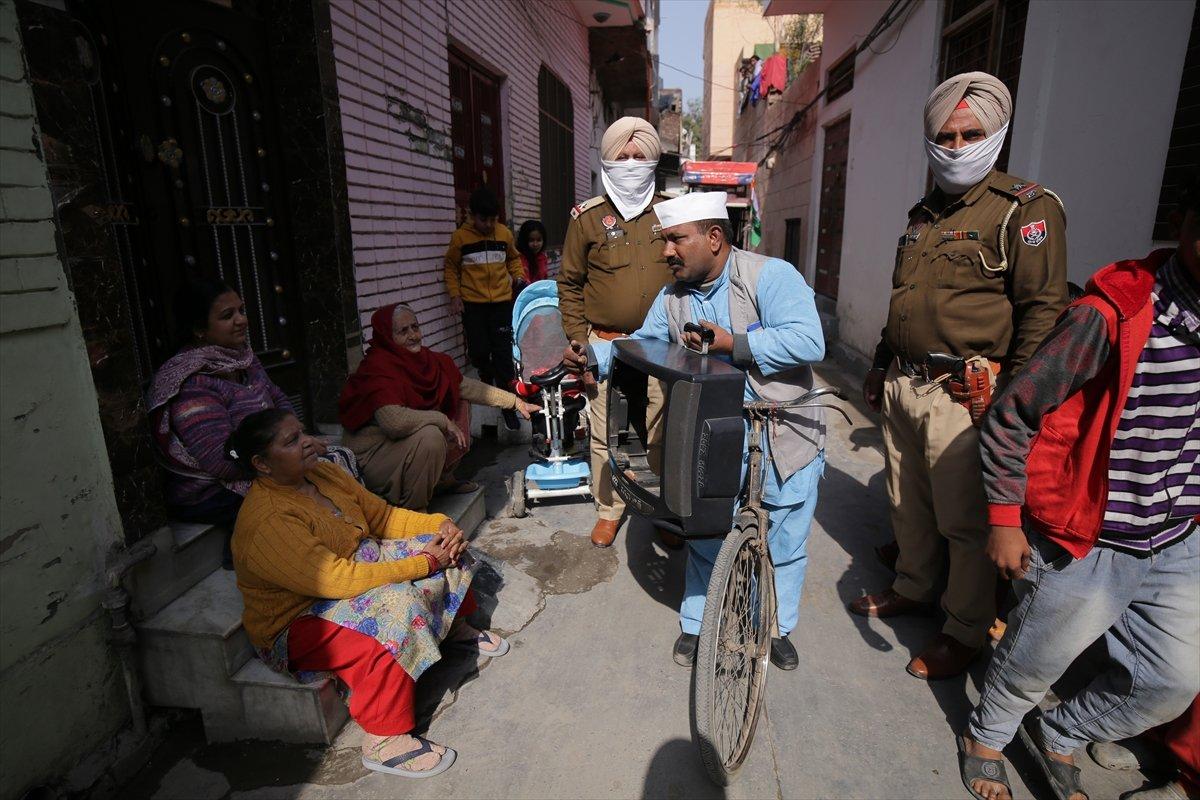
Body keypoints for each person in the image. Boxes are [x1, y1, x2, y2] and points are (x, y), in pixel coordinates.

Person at [955, 174, 1200, 800]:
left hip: (1177, 539)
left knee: (1173, 679)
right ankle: (987, 735)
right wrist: (1006, 519)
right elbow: (1014, 412)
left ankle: (1061, 731)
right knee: (1035, 657)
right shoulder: (1110, 315)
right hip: (1090, 534)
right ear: (1183, 225)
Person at [851, 71, 1069, 680]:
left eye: (970, 133)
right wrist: (877, 365)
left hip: (966, 396)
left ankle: (964, 629)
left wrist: (1014, 406)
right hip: (904, 382)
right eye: (944, 135)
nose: (955, 145)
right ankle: (915, 587)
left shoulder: (1026, 210)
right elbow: (906, 300)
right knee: (908, 502)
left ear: (997, 133)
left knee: (966, 522)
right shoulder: (924, 215)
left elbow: (1041, 316)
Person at [563, 191, 826, 670]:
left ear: (713, 237)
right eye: (664, 241)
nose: (665, 252)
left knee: (784, 541)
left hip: (784, 432)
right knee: (706, 531)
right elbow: (641, 342)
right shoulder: (672, 298)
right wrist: (594, 358)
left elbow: (810, 340)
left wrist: (734, 344)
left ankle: (776, 626)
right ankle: (697, 623)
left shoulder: (771, 276)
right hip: (715, 433)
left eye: (675, 240)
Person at [228, 408, 508, 778]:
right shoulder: (268, 519)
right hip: (298, 618)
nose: (309, 442)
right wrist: (424, 564)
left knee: (442, 543)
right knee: (398, 606)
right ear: (261, 464)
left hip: (356, 567)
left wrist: (440, 524)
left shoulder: (322, 472)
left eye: (303, 432)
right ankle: (384, 737)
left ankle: (456, 630)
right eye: (292, 441)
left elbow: (383, 517)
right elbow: (335, 580)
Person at [147, 277, 356, 551]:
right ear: (199, 329)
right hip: (215, 489)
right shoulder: (194, 384)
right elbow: (220, 460)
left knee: (337, 461)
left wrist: (298, 439)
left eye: (241, 310)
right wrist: (289, 457)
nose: (241, 320)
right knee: (303, 496)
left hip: (264, 462)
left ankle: (353, 537)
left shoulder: (242, 358)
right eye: (227, 315)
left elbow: (278, 398)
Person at [557, 116, 674, 547]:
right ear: (607, 160)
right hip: (607, 348)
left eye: (638, 155)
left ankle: (662, 510)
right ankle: (609, 509)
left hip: (663, 351)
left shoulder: (670, 212)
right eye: (621, 157)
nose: (630, 163)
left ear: (652, 159)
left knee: (661, 433)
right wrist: (579, 343)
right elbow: (568, 284)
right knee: (607, 436)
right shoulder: (586, 219)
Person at [339, 303, 539, 511]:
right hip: (374, 459)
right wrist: (442, 420)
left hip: (401, 446)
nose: (413, 336)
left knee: (458, 400)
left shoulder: (425, 360)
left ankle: (442, 481)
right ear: (387, 336)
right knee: (431, 436)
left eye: (415, 327)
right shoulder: (378, 368)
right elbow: (394, 423)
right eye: (403, 331)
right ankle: (414, 509)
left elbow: (466, 387)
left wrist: (515, 402)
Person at [444, 187, 524, 430]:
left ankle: (509, 404)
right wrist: (455, 296)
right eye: (483, 219)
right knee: (478, 351)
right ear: (472, 215)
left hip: (501, 303)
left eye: (492, 220)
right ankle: (485, 375)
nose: (488, 225)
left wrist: (517, 276)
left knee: (502, 354)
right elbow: (451, 267)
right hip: (473, 304)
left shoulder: (504, 234)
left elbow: (513, 258)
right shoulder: (461, 238)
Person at [516, 219, 549, 287]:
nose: (535, 244)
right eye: (531, 240)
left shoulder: (542, 257)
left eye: (539, 240)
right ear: (524, 241)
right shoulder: (518, 259)